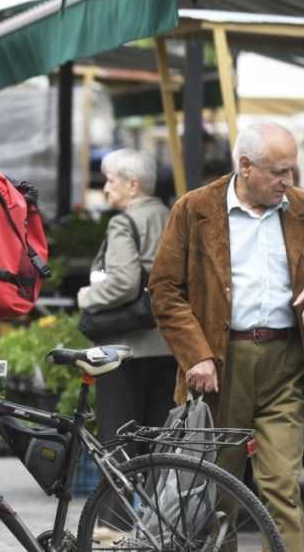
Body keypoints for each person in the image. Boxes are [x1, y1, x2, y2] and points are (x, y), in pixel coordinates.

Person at [148, 121, 304, 552]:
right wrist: (195, 355)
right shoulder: (195, 209)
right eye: (278, 172)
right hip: (221, 363)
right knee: (219, 493)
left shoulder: (302, 208)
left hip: (285, 362)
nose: (287, 182)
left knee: (282, 490)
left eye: (292, 171)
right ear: (246, 166)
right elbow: (164, 290)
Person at [76, 149, 174, 484]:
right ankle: (156, 522)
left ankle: (112, 525)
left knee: (117, 442)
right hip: (167, 345)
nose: (105, 188)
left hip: (123, 348)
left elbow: (122, 282)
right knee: (157, 443)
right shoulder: (170, 214)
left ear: (132, 185)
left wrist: (88, 297)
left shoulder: (124, 222)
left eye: (111, 180)